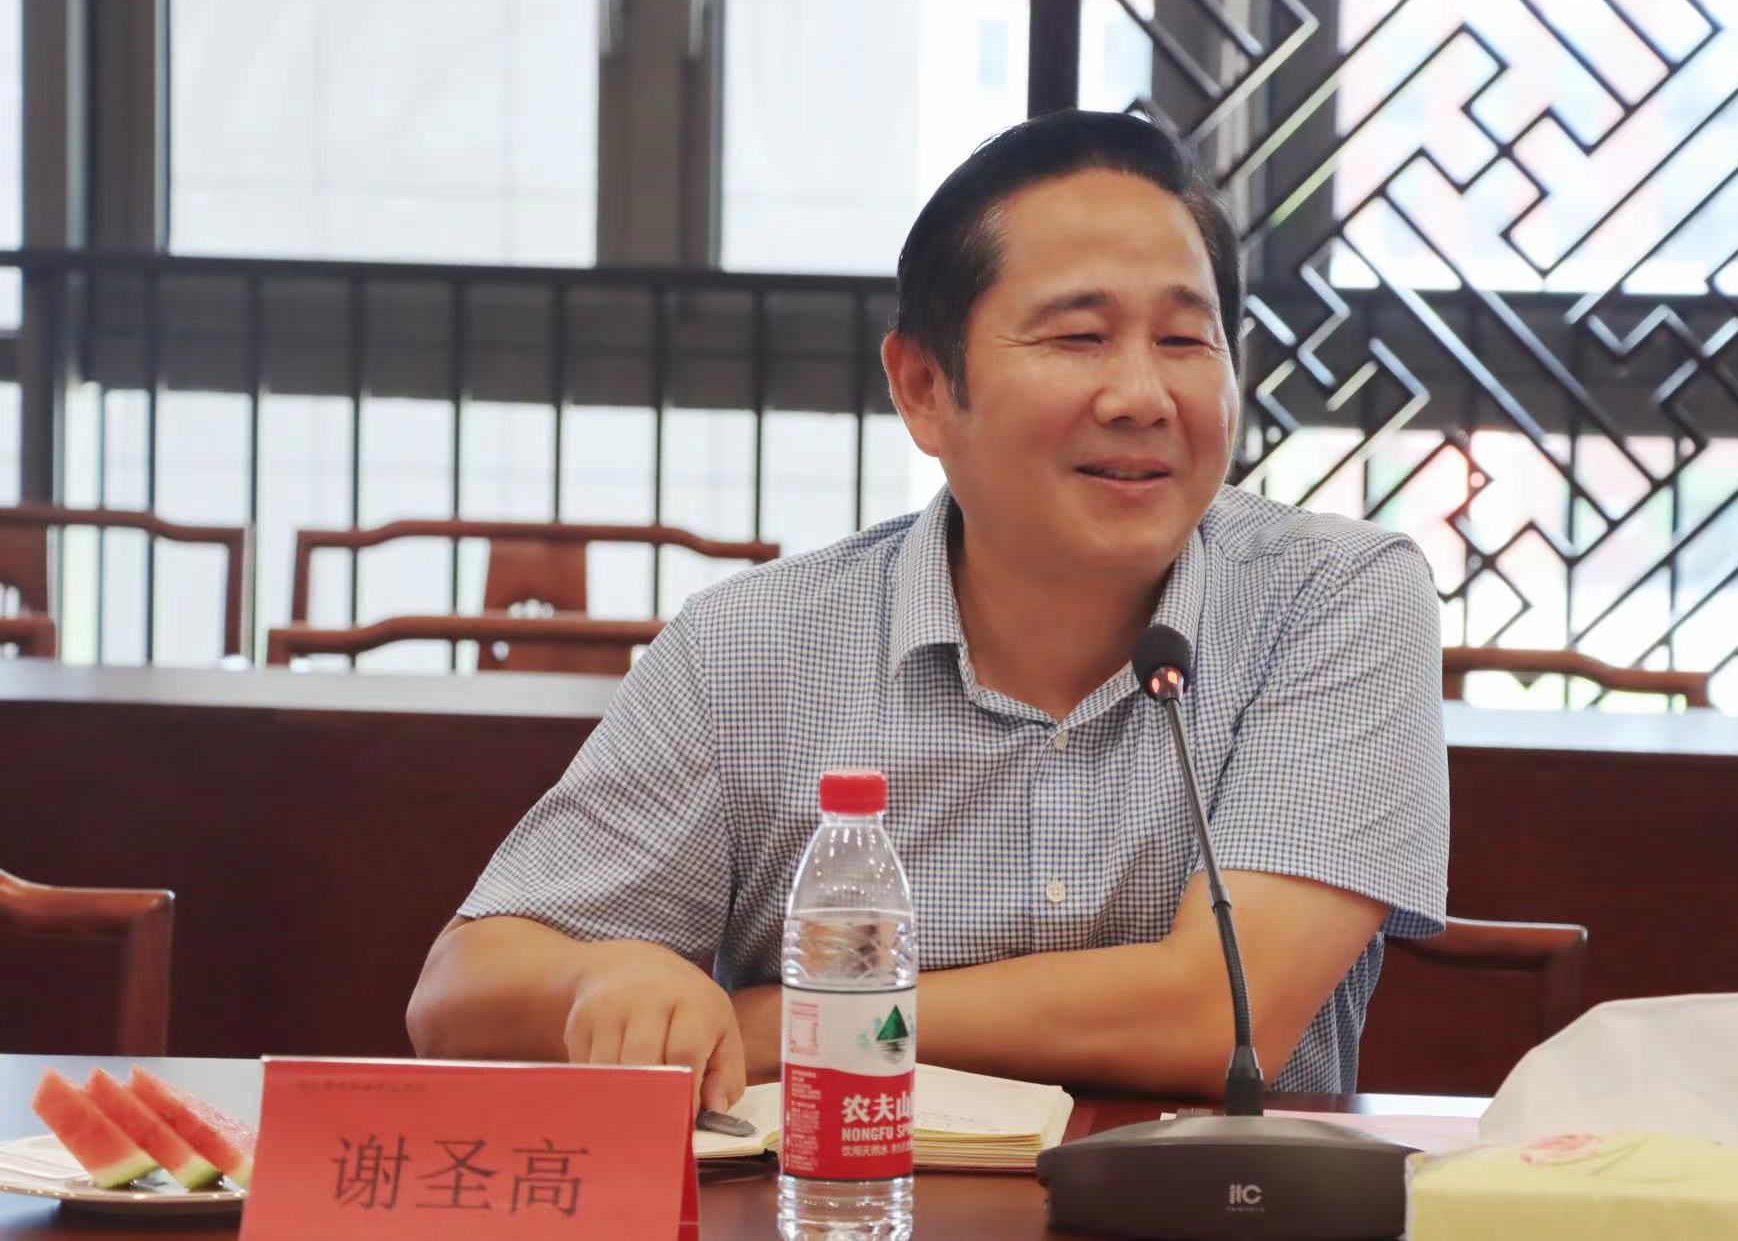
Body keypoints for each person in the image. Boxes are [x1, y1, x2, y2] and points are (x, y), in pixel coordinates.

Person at [406, 109, 1448, 1114]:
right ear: (921, 386)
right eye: (1078, 337)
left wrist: (777, 1024)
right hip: (839, 1201)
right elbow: (457, 994)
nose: (1141, 395)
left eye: (1185, 339)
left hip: (1204, 1204)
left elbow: (1218, 1012)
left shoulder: (1335, 598)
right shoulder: (751, 648)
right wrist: (599, 983)